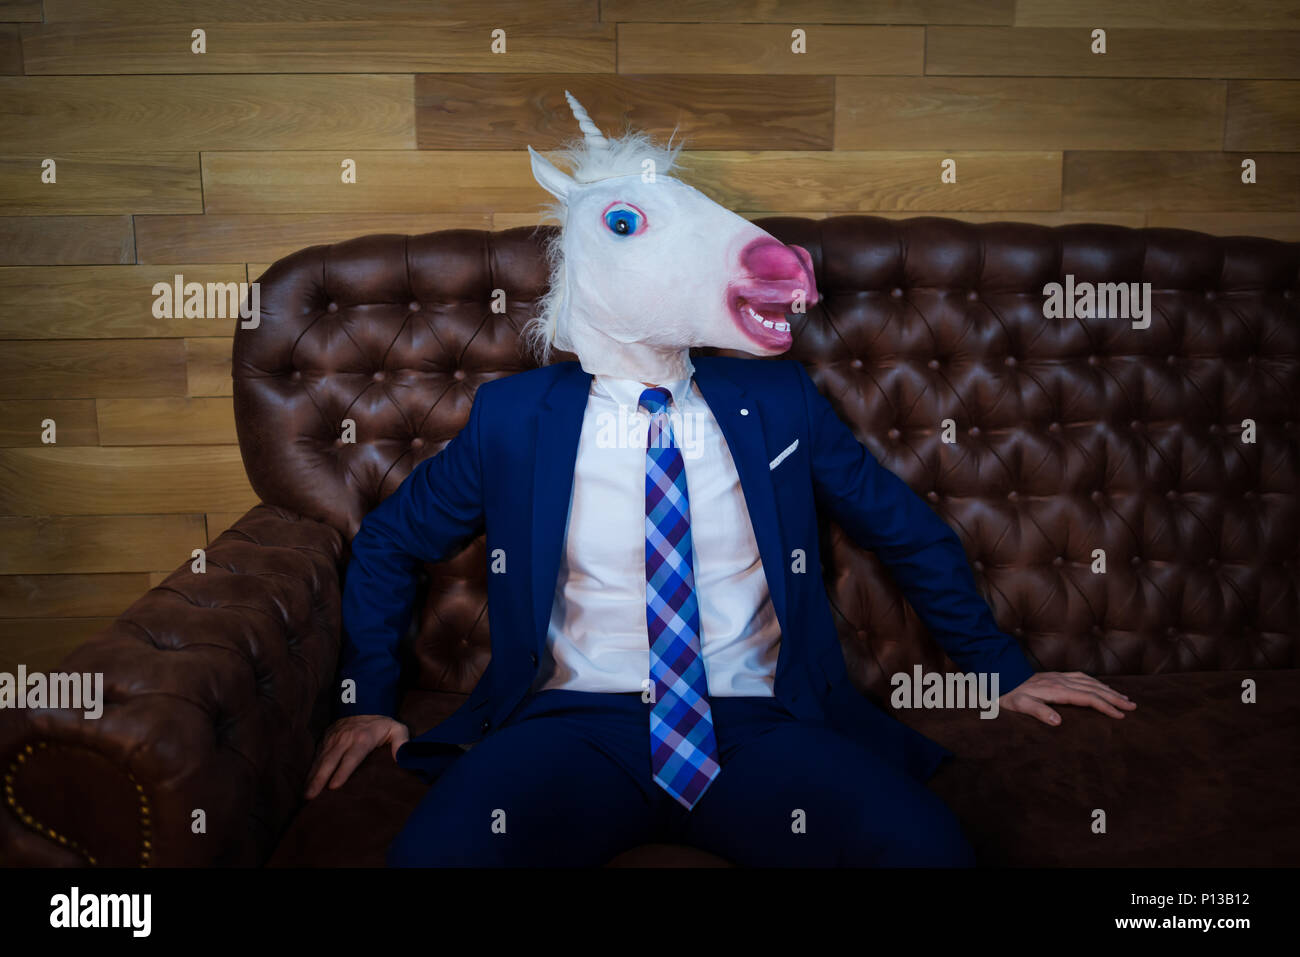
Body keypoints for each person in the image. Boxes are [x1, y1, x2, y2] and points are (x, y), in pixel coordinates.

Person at [303, 92, 1134, 867]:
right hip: (571, 723)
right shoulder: (514, 418)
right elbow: (387, 543)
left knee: (927, 850)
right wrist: (365, 695)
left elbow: (902, 527)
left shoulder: (778, 402)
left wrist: (1005, 670)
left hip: (757, 723)